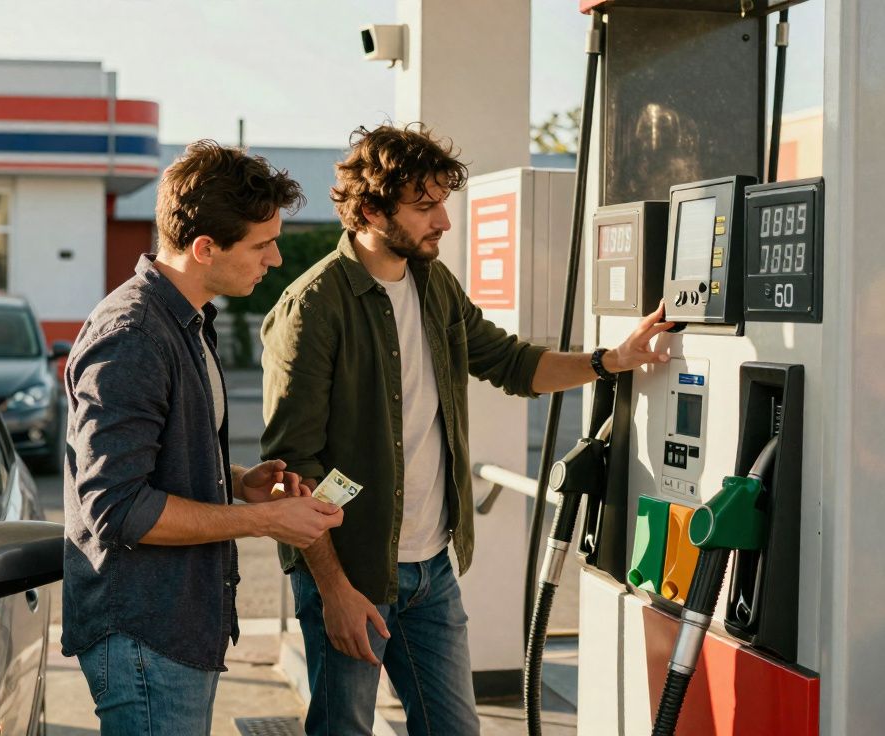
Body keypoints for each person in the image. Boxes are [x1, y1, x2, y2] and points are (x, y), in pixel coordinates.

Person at [260, 123, 673, 736]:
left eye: (441, 204)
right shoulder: (314, 306)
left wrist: (609, 359)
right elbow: (294, 472)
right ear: (371, 209)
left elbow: (511, 363)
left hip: (431, 568)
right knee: (342, 729)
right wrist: (334, 590)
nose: (443, 222)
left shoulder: (434, 286)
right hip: (353, 572)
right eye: (424, 207)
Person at [62, 140, 344, 735]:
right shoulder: (134, 335)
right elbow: (118, 508)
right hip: (145, 635)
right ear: (204, 248)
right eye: (261, 243)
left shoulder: (185, 319)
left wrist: (242, 483)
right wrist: (267, 523)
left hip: (174, 629)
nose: (274, 259)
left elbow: (156, 464)